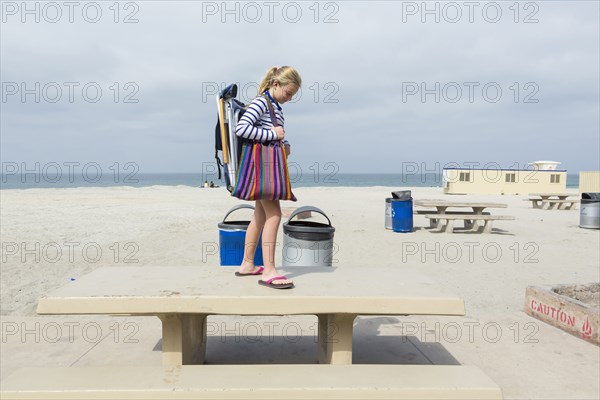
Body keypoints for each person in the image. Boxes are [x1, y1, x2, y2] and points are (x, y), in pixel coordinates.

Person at [233, 66, 301, 289]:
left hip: (265, 167)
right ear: (276, 84)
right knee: (275, 215)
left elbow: (271, 131)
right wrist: (273, 135)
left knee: (260, 216)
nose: (289, 98)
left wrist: (284, 142)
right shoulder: (262, 102)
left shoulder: (274, 106)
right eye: (288, 93)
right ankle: (269, 270)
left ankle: (247, 263)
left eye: (292, 95)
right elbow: (241, 129)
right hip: (264, 168)